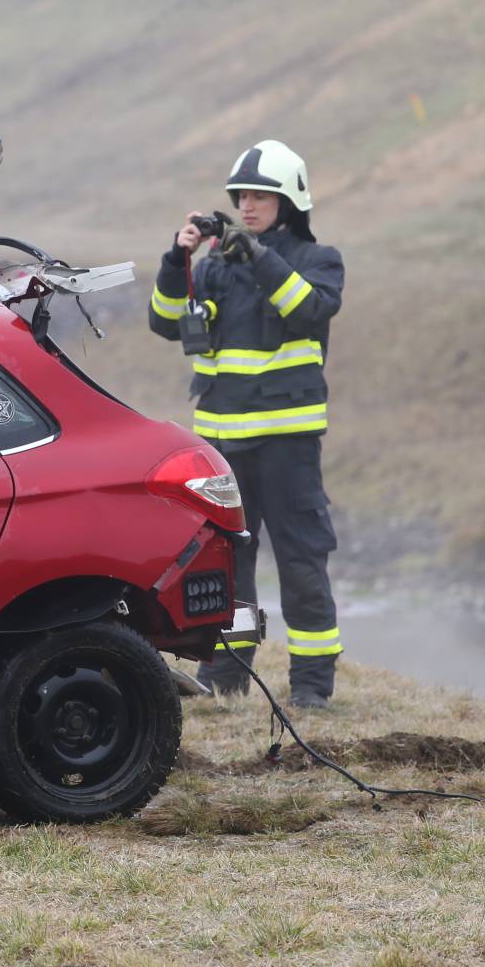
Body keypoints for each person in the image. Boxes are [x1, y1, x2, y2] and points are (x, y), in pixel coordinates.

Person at [148, 140, 345, 707]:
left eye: (261, 196)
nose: (249, 205)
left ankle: (311, 687)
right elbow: (164, 322)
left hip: (287, 444)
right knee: (227, 563)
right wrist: (175, 258)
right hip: (221, 444)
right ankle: (226, 675)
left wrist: (255, 253)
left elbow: (308, 308)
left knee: (300, 558)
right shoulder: (213, 269)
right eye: (242, 197)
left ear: (291, 202)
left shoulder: (319, 259)